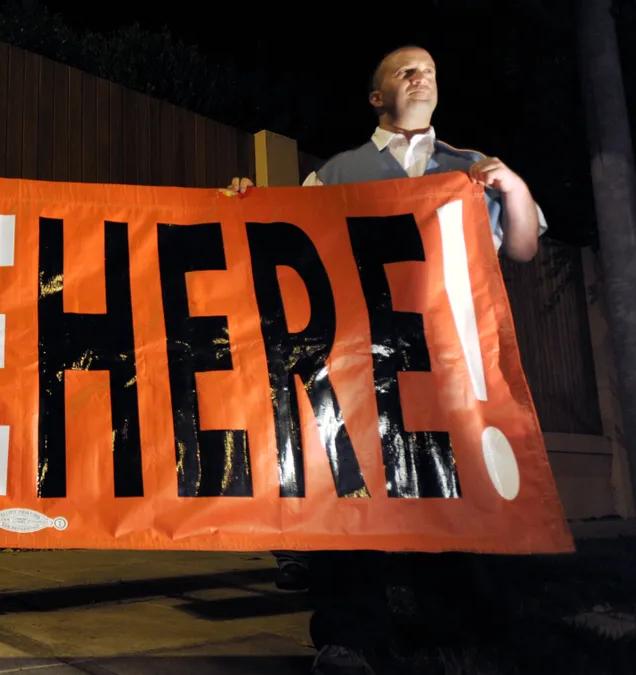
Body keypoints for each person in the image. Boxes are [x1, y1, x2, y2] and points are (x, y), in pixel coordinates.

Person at [225, 45, 545, 675]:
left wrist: (511, 185)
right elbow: (280, 235)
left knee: (450, 493)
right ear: (377, 97)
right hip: (358, 368)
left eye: (429, 69)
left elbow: (527, 249)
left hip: (446, 366)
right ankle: (350, 637)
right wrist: (244, 203)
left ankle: (456, 626)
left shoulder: (473, 168)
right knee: (353, 498)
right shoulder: (337, 173)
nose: (421, 75)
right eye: (406, 70)